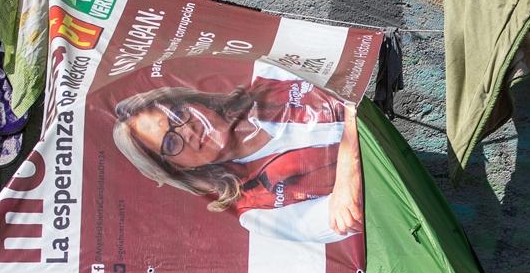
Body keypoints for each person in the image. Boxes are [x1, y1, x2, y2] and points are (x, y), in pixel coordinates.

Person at [111, 64, 363, 243]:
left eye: (178, 115)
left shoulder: (271, 74)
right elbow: (350, 217)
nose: (186, 131)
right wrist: (352, 123)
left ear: (191, 100)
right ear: (176, 168)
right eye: (170, 144)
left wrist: (347, 176)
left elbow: (352, 65)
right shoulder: (257, 211)